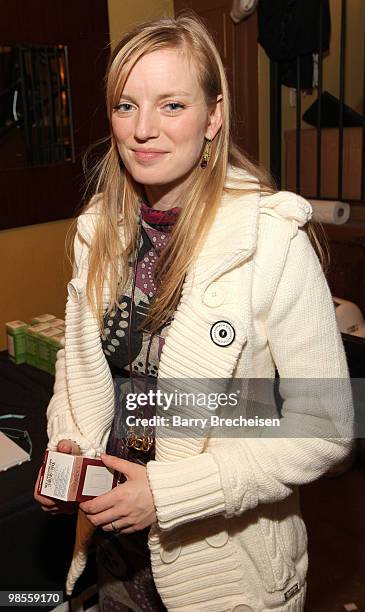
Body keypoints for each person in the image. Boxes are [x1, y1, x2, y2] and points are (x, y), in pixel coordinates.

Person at [34, 12, 353, 612]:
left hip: (226, 577)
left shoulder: (271, 240)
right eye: (126, 106)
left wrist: (169, 492)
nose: (143, 129)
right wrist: (69, 444)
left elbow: (328, 427)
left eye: (172, 105)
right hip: (113, 560)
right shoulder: (96, 232)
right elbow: (81, 372)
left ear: (214, 117)